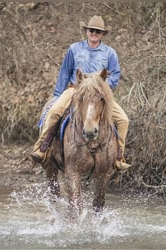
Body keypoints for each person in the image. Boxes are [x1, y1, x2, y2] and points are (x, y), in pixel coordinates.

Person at [31, 15, 131, 170]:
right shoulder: (74, 49)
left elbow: (115, 74)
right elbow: (65, 71)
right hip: (75, 89)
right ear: (87, 31)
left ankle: (119, 156)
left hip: (98, 94)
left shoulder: (110, 53)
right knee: (54, 112)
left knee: (123, 120)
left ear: (102, 34)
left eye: (98, 31)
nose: (94, 33)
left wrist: (103, 88)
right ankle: (42, 148)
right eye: (91, 30)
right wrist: (58, 94)